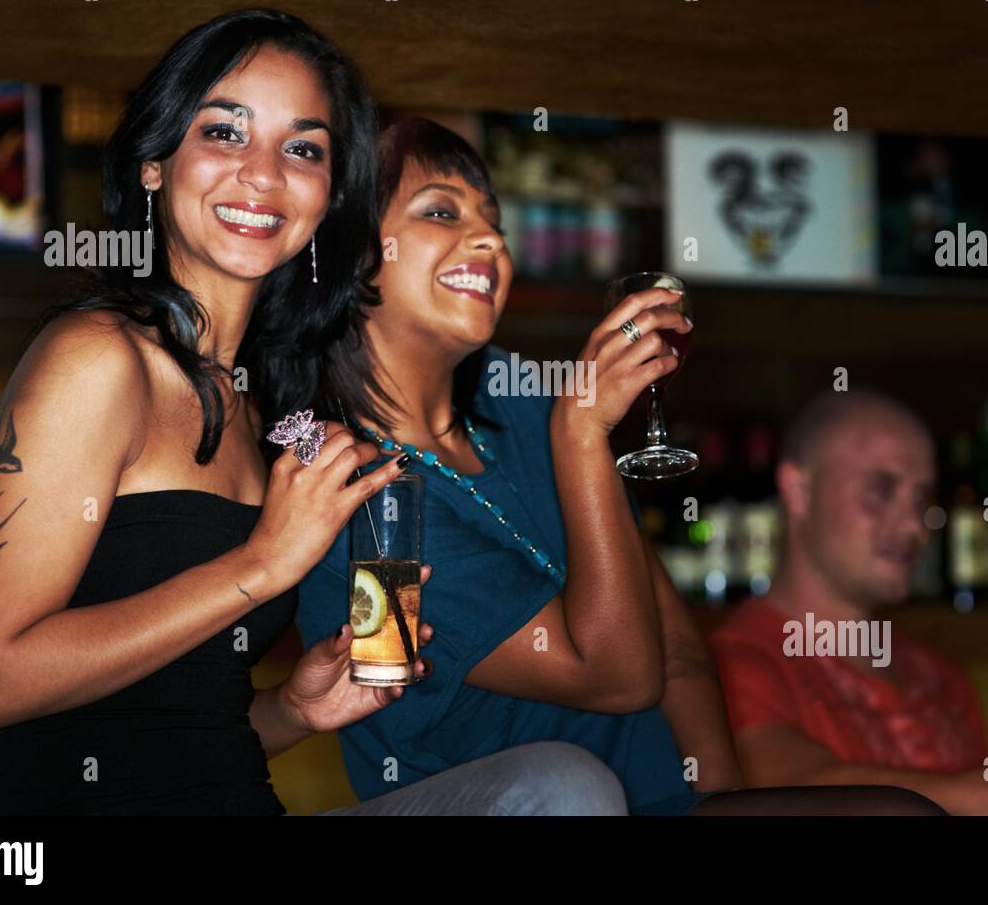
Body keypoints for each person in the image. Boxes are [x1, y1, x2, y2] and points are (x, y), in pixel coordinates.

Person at [0, 10, 625, 816]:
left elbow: (176, 725)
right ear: (154, 163)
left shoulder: (273, 406)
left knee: (561, 785)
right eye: (225, 133)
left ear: (327, 199)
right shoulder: (100, 357)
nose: (263, 174)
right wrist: (259, 567)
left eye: (302, 148)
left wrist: (294, 711)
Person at [297, 118, 944, 816]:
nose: (489, 240)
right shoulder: (348, 484)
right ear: (352, 254)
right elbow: (618, 678)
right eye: (441, 212)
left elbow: (672, 640)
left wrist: (719, 797)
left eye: (494, 221)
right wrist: (582, 432)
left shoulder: (516, 399)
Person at [708, 389, 988, 814]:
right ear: (797, 490)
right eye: (880, 490)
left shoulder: (938, 676)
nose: (912, 525)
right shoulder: (732, 662)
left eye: (921, 498)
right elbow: (788, 789)